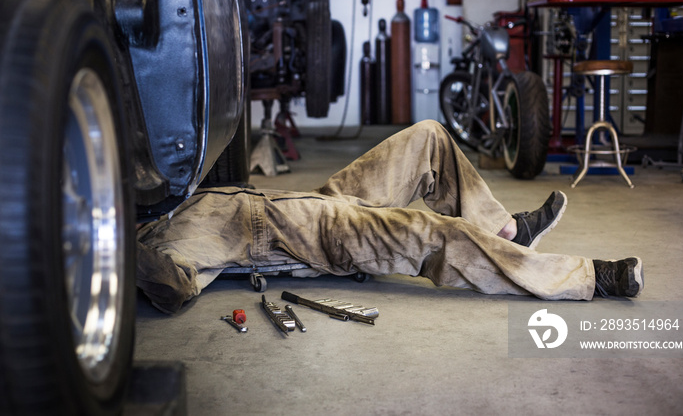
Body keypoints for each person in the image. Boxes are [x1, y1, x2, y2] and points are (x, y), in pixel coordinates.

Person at [136, 120, 644, 314]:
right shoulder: (159, 247)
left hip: (313, 200)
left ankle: (507, 231)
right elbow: (172, 288)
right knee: (433, 235)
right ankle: (588, 278)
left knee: (428, 137)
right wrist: (120, 247)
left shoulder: (161, 195)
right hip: (316, 236)